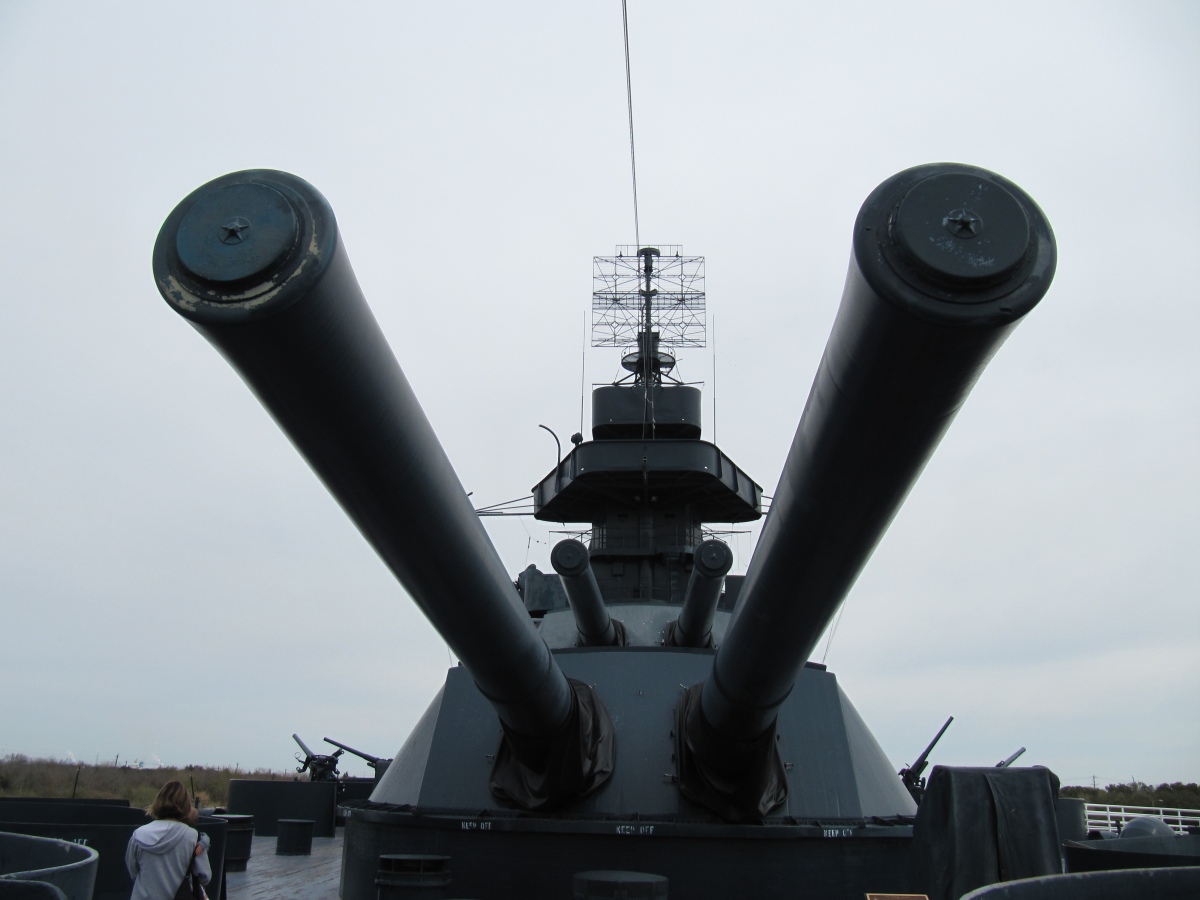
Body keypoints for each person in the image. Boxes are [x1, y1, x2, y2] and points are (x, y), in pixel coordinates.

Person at [125, 780, 212, 900]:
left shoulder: (138, 834)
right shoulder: (192, 836)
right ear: (185, 804)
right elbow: (205, 876)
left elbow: (133, 871)